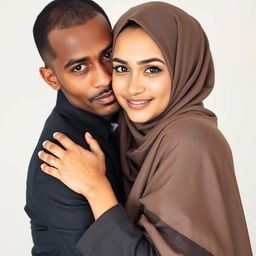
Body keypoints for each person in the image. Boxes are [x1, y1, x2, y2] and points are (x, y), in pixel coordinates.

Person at [38, 1, 253, 255]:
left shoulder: (190, 140)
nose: (132, 87)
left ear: (184, 68)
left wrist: (97, 189)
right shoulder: (135, 135)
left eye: (152, 69)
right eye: (121, 68)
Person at [24, 0, 125, 255]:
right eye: (79, 67)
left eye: (107, 55)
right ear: (51, 78)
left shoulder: (132, 109)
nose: (104, 78)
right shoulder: (57, 164)